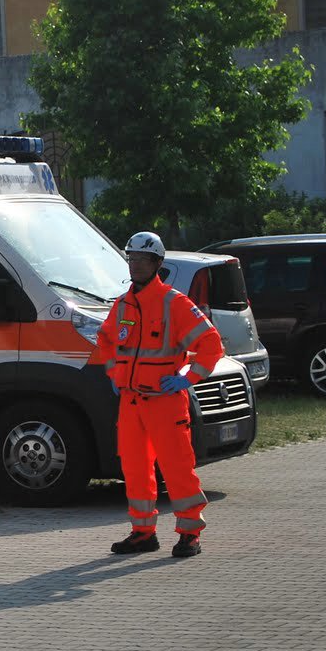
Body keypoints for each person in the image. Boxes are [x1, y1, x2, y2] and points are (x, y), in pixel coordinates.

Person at [89, 231, 225, 558]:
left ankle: (190, 533)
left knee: (177, 468)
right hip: (131, 402)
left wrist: (187, 378)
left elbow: (210, 345)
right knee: (135, 469)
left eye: (142, 260)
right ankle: (142, 532)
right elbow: (106, 341)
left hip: (165, 402)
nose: (135, 265)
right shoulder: (123, 304)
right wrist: (114, 373)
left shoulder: (174, 303)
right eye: (131, 258)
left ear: (157, 263)